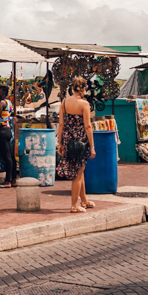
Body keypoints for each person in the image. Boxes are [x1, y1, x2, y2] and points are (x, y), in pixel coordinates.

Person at [57, 77, 96, 212]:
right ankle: (74, 205)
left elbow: (61, 124)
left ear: (72, 88)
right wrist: (92, 146)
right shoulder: (84, 104)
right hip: (81, 142)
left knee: (80, 171)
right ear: (84, 89)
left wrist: (60, 143)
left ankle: (84, 200)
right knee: (78, 173)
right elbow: (88, 126)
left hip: (68, 140)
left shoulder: (65, 102)